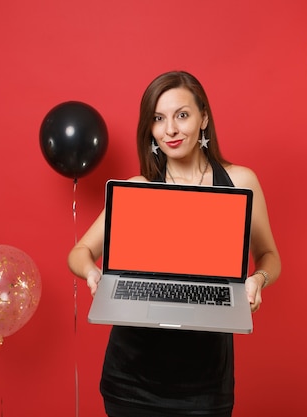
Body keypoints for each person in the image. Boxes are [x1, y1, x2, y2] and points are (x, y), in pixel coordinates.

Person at [67, 70, 281, 417]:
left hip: (206, 385)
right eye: (158, 119)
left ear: (203, 119)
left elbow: (269, 255)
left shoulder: (239, 181)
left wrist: (258, 279)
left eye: (182, 115)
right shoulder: (138, 187)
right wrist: (92, 274)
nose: (170, 130)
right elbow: (79, 253)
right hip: (130, 379)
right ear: (149, 128)